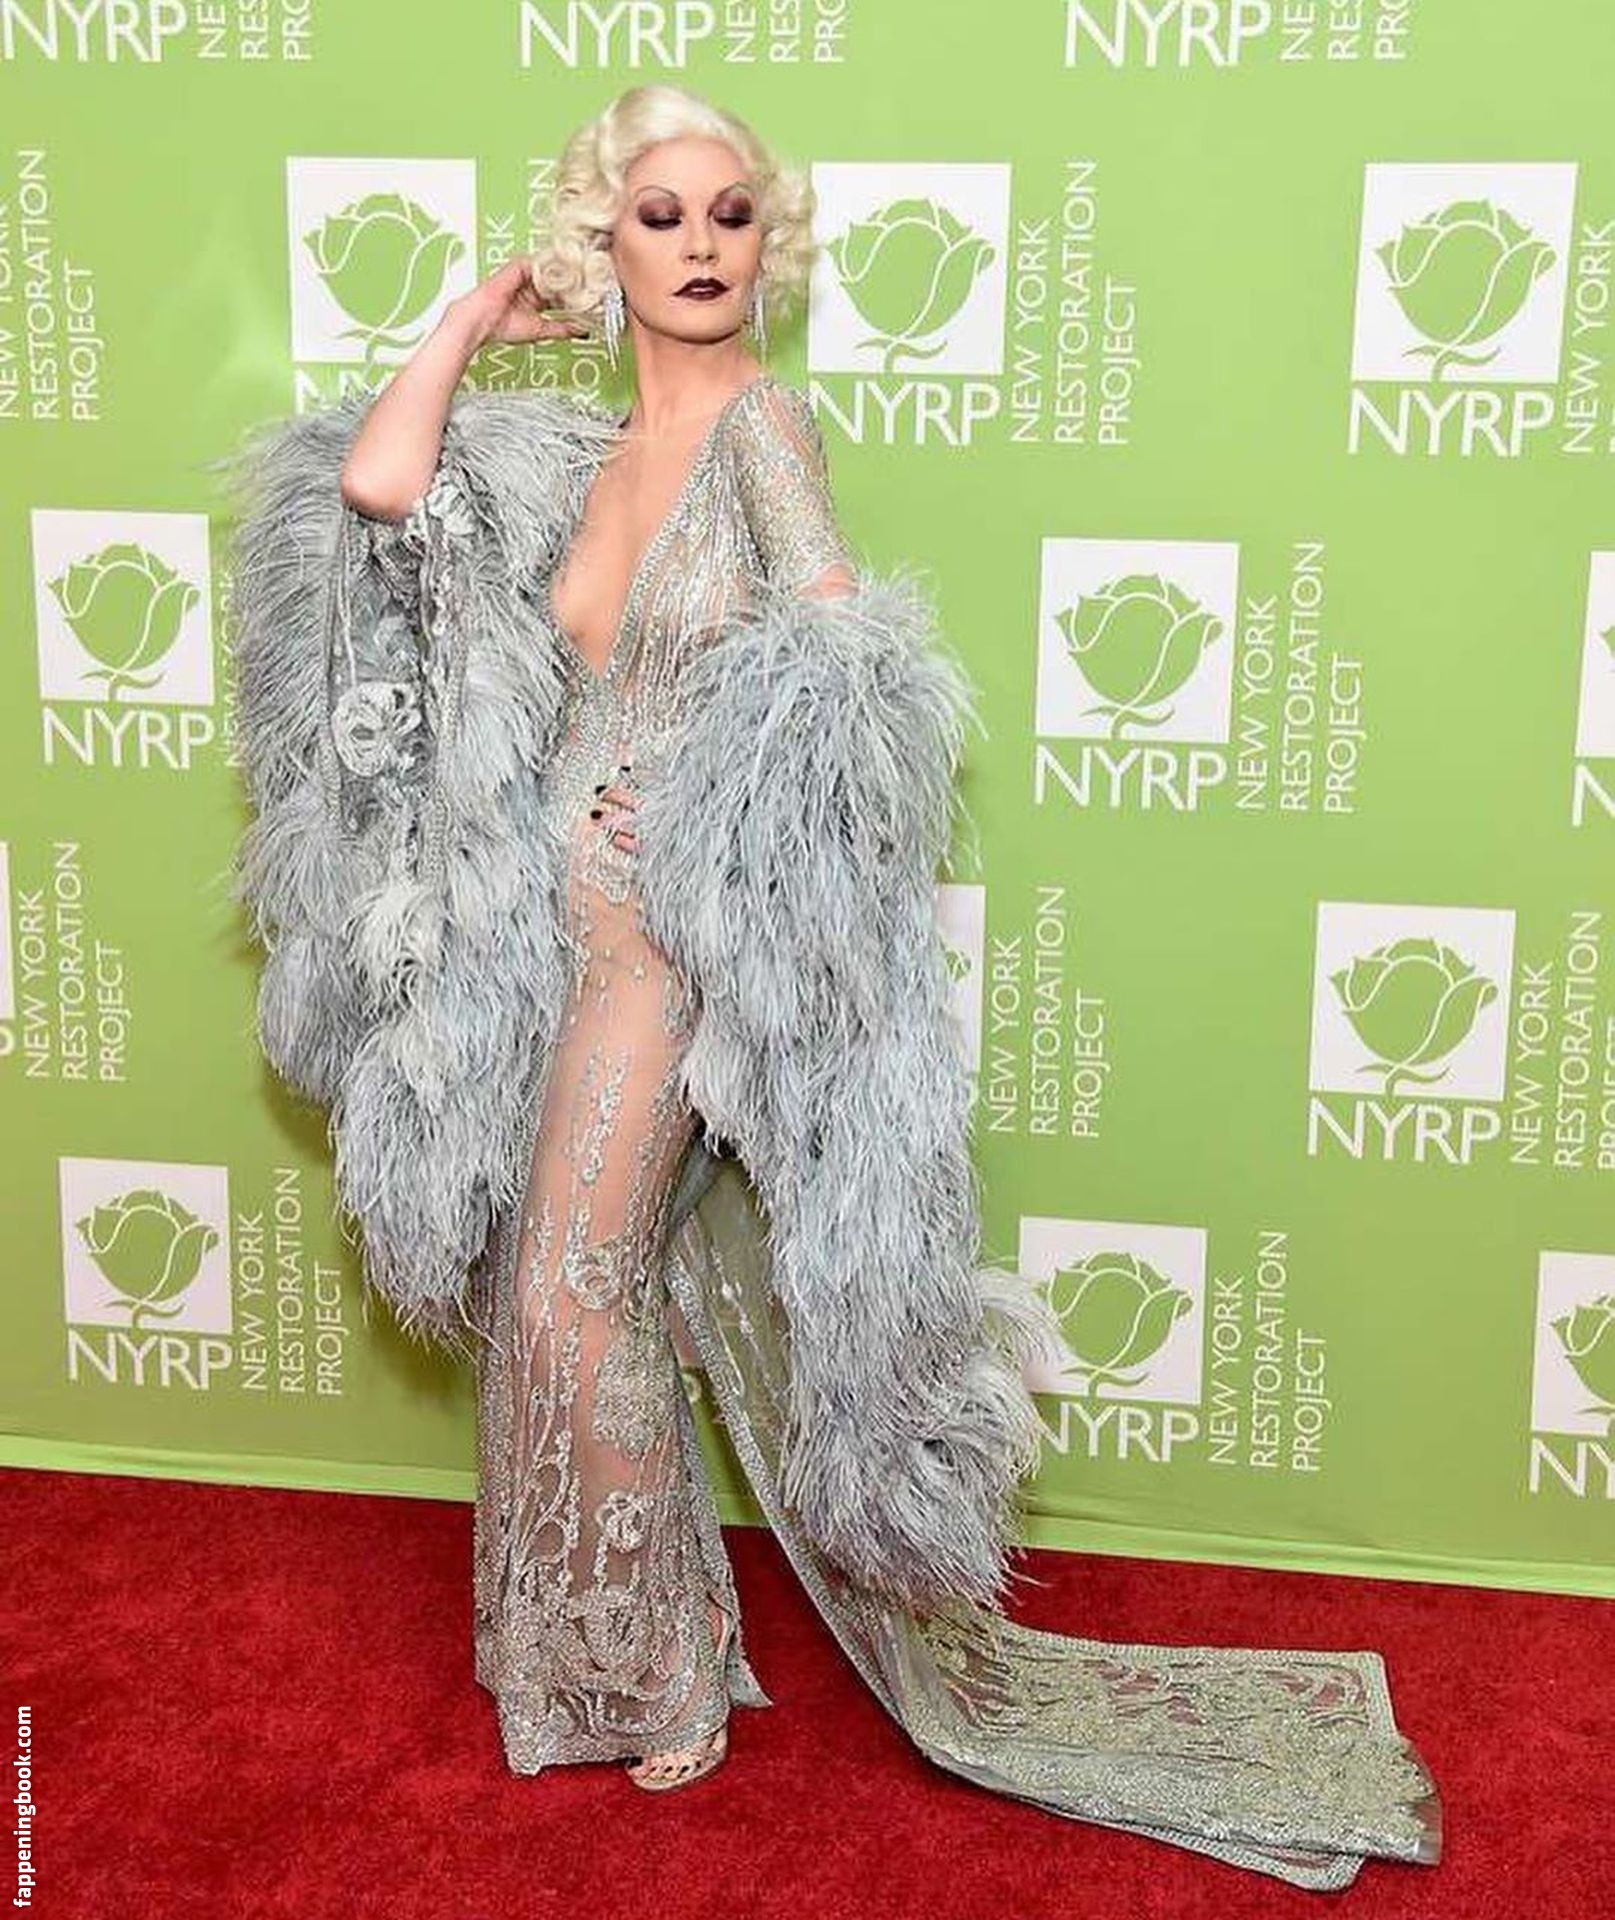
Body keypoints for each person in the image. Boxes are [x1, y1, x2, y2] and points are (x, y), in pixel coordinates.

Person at [223, 82, 1442, 1885]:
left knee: (572, 1285)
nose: (702, 246)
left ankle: (662, 1673)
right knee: (555, 1288)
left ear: (766, 246)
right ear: (603, 242)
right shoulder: (577, 452)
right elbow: (378, 484)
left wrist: (715, 808)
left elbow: (844, 668)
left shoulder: (766, 430)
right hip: (534, 929)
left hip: (665, 933)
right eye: (659, 216)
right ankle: (579, 1659)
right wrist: (481, 313)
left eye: (731, 215)